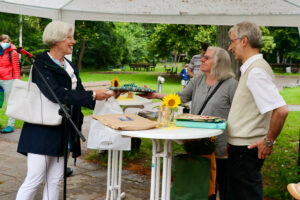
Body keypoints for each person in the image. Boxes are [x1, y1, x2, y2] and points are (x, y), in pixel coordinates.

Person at [16, 21, 117, 200]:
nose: (74, 41)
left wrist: (109, 97)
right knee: (34, 179)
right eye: (69, 37)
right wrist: (93, 94)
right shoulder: (41, 63)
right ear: (57, 40)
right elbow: (56, 94)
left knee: (55, 180)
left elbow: (80, 95)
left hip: (63, 129)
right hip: (41, 130)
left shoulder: (69, 66)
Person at [140, 46, 238, 200]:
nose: (202, 59)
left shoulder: (231, 85)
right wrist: (155, 94)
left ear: (219, 62)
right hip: (196, 142)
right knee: (198, 184)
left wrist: (232, 140)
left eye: (206, 57)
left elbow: (237, 114)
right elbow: (180, 97)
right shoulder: (198, 79)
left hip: (219, 146)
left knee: (221, 185)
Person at [226, 21, 289, 200]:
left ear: (244, 41)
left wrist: (268, 141)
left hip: (246, 150)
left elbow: (281, 110)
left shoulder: (256, 72)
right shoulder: (253, 69)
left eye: (232, 42)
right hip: (242, 148)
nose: (230, 47)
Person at [0, 34, 20, 134]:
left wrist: (17, 81)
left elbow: (16, 68)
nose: (5, 44)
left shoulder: (13, 52)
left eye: (7, 42)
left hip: (9, 80)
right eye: (3, 42)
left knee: (10, 103)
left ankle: (10, 125)